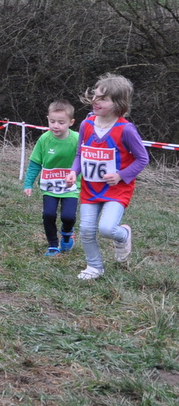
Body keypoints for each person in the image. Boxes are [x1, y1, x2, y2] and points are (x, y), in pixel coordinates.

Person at [65, 74, 149, 280]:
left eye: (103, 99)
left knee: (106, 228)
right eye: (95, 95)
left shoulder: (126, 129)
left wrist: (120, 175)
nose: (95, 101)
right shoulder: (86, 124)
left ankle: (123, 235)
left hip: (116, 190)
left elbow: (142, 158)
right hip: (90, 189)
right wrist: (74, 171)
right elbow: (80, 154)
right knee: (86, 230)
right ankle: (94, 267)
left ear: (118, 104)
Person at [23, 100, 80, 257]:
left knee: (68, 216)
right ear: (47, 119)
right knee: (48, 215)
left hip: (71, 187)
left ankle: (67, 232)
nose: (56, 126)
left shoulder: (77, 139)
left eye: (61, 122)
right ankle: (53, 246)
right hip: (49, 186)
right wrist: (28, 184)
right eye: (52, 121)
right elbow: (35, 163)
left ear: (71, 122)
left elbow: (85, 160)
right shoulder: (44, 139)